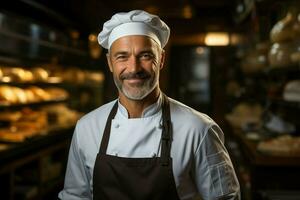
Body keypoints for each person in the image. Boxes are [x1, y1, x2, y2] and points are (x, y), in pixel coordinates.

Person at [59, 10, 240, 200]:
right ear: (110, 63)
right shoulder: (87, 128)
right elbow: (75, 196)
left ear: (161, 59)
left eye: (145, 55)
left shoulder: (198, 130)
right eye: (122, 56)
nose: (134, 68)